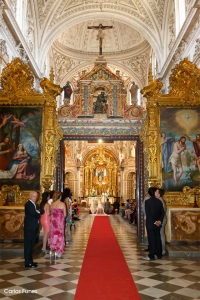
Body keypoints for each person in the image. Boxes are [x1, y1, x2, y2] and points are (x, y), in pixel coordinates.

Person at [143, 187, 164, 261]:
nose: (157, 193)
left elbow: (148, 214)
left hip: (151, 224)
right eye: (156, 191)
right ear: (154, 192)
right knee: (158, 239)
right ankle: (159, 255)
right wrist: (159, 221)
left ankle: (151, 255)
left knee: (152, 240)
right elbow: (162, 213)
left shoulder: (147, 202)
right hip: (158, 224)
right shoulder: (159, 201)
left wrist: (154, 221)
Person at [24, 191, 41, 268]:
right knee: (28, 245)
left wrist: (37, 212)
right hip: (29, 227)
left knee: (32, 245)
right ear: (30, 196)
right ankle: (27, 262)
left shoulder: (35, 204)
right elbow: (35, 214)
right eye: (34, 196)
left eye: (36, 196)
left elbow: (41, 211)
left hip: (34, 227)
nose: (35, 198)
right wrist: (37, 212)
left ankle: (31, 261)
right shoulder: (28, 204)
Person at [49, 191, 67, 258]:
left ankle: (51, 250)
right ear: (60, 196)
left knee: (53, 235)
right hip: (59, 222)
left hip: (53, 221)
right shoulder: (62, 204)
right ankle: (58, 251)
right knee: (59, 235)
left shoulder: (52, 203)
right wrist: (60, 218)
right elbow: (65, 215)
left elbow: (51, 212)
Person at [158, 188, 167, 255]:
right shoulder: (159, 200)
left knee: (161, 235)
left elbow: (162, 212)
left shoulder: (160, 201)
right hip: (160, 220)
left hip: (161, 220)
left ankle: (163, 250)